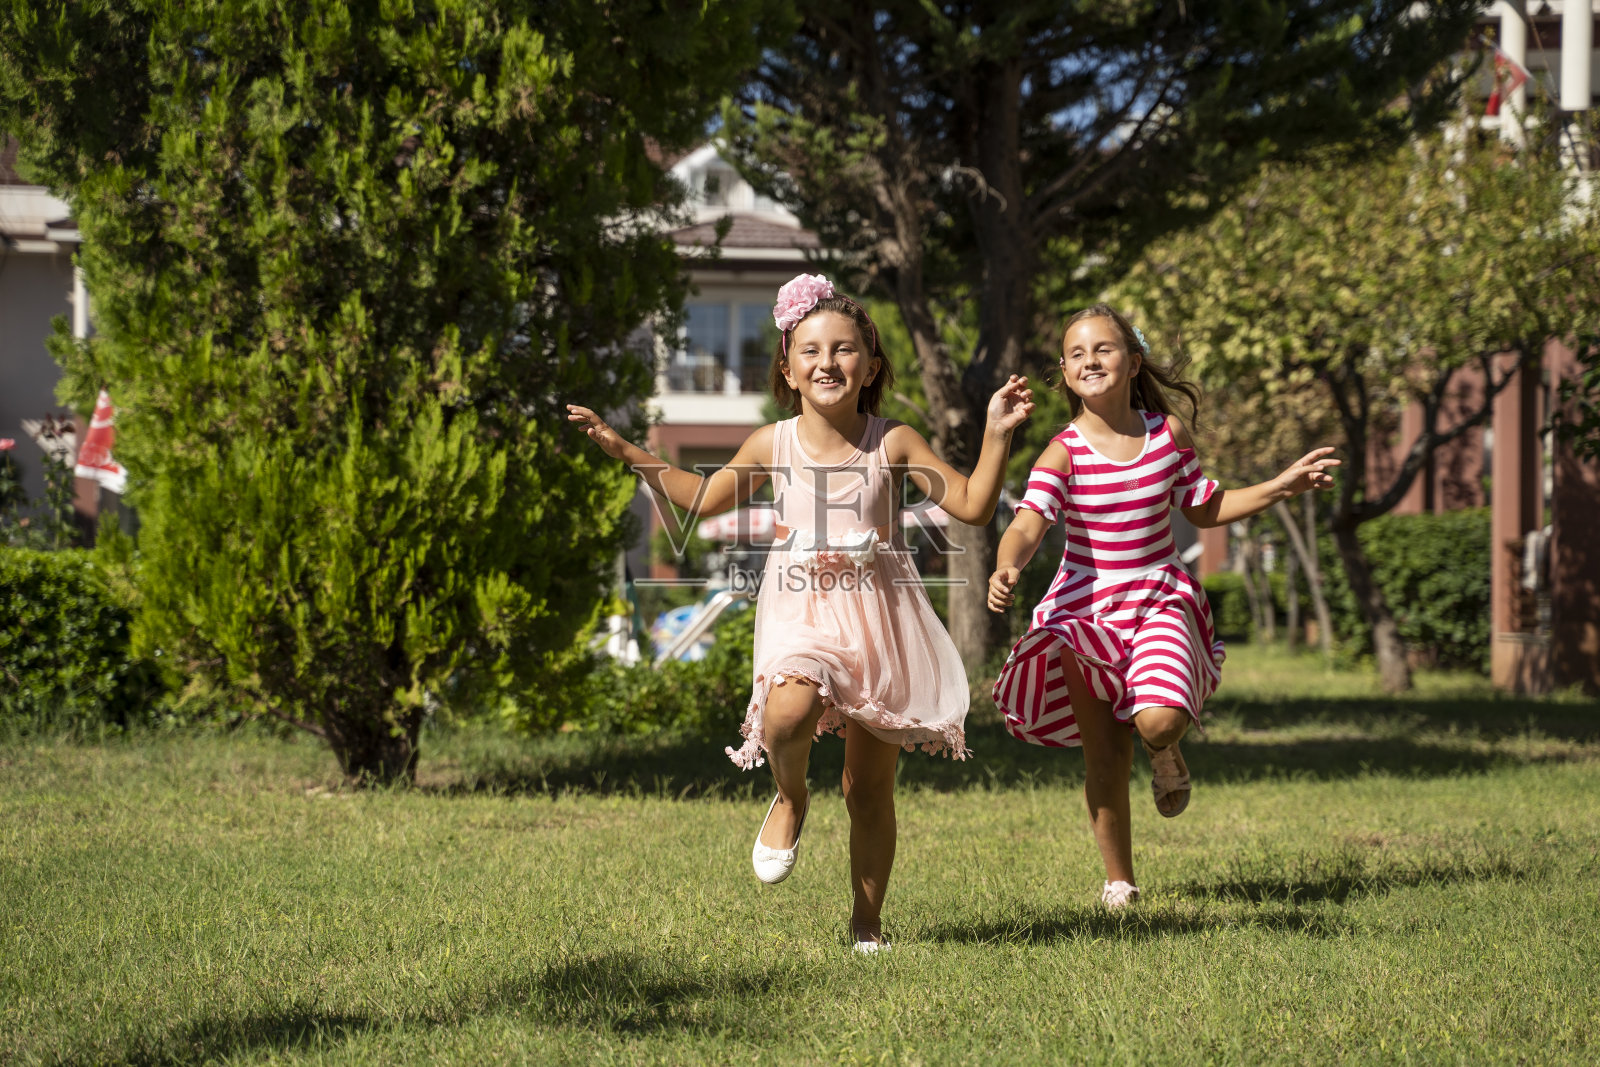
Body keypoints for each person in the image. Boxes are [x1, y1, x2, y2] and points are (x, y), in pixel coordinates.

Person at [569, 273, 1034, 951]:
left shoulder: (892, 440)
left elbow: (969, 505)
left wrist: (995, 434)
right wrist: (627, 451)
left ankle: (866, 924)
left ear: (870, 364)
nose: (828, 362)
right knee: (788, 706)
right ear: (787, 367)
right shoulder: (771, 443)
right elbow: (700, 500)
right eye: (811, 350)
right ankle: (789, 798)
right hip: (801, 606)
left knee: (869, 789)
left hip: (879, 615)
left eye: (844, 349)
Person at [987, 304, 1337, 908]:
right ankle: (1119, 881)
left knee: (1158, 718)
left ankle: (1164, 746)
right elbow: (1027, 523)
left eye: (1104, 348)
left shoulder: (1167, 434)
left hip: (1158, 598)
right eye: (1076, 354)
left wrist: (1281, 486)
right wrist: (1007, 564)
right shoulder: (1062, 453)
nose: (1090, 360)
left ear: (1133, 361)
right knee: (1104, 758)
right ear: (1066, 376)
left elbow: (1202, 506)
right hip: (1082, 613)